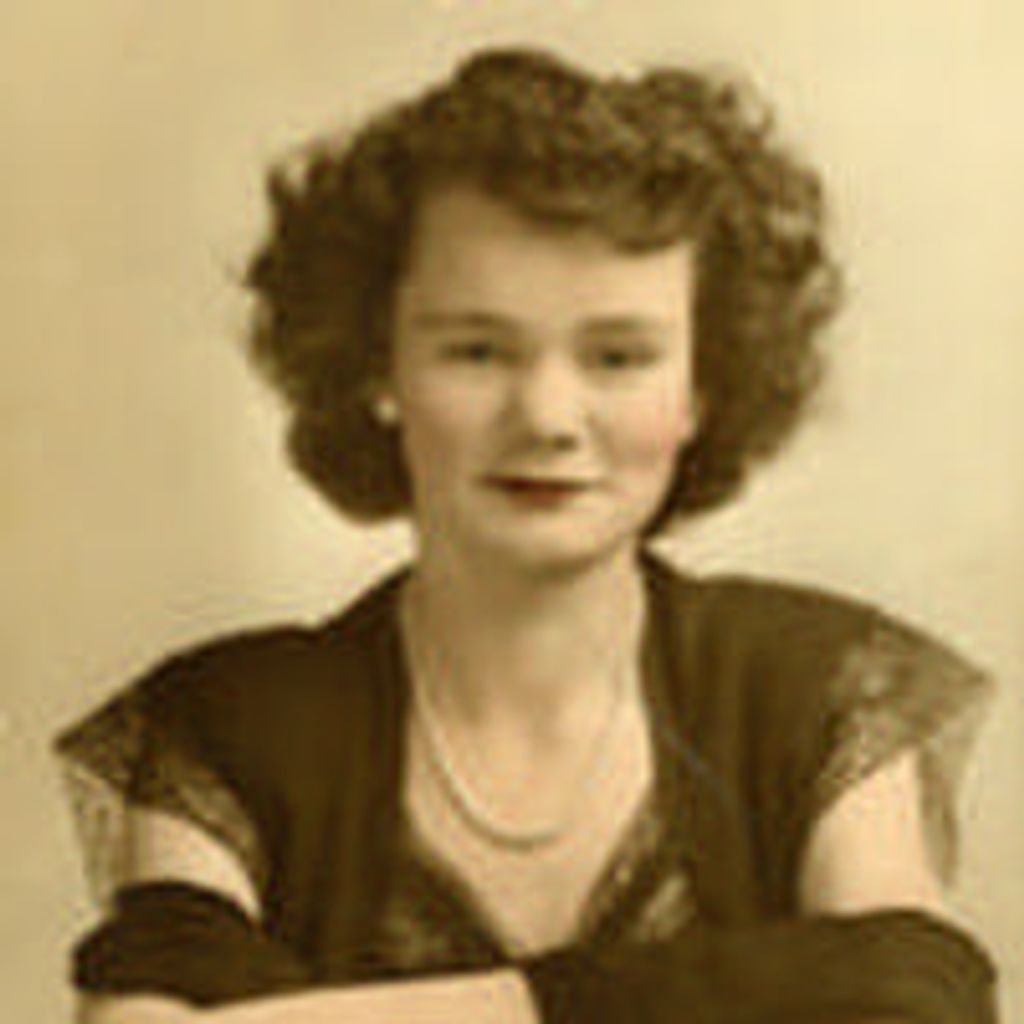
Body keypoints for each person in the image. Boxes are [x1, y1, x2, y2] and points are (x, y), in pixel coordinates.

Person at [56, 47, 998, 1023]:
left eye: (618, 357)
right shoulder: (228, 724)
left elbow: (912, 1001)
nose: (547, 416)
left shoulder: (812, 689)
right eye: (476, 350)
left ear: (701, 389)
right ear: (379, 371)